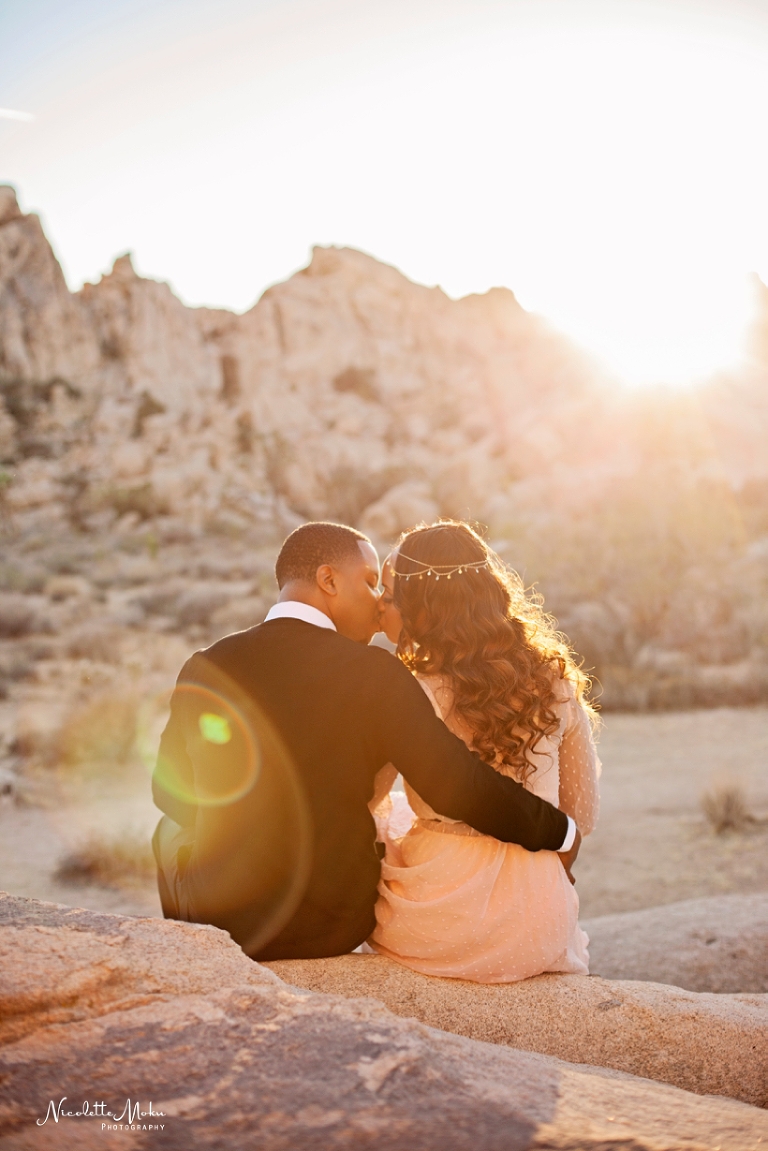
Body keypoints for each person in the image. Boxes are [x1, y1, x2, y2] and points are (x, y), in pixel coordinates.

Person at [152, 521, 581, 961]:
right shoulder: (376, 673)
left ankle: (195, 946)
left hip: (229, 921)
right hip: (331, 925)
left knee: (169, 832)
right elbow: (455, 785)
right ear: (328, 580)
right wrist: (560, 831)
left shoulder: (208, 666)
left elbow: (168, 792)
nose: (380, 603)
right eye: (371, 582)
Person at [370, 520, 600, 982]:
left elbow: (365, 798)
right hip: (533, 922)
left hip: (433, 918)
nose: (379, 607)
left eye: (390, 596)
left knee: (386, 814)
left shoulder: (412, 691)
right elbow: (582, 816)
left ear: (422, 609)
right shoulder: (555, 682)